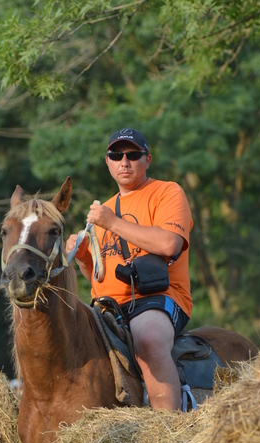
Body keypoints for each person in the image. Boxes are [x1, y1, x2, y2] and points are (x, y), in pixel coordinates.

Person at [66, 128, 193, 410]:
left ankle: (168, 431)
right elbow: (99, 280)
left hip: (160, 298)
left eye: (133, 154)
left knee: (147, 338)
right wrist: (84, 257)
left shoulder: (167, 192)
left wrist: (111, 223)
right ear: (107, 162)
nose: (124, 161)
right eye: (116, 155)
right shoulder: (105, 209)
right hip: (108, 308)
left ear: (147, 160)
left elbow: (170, 243)